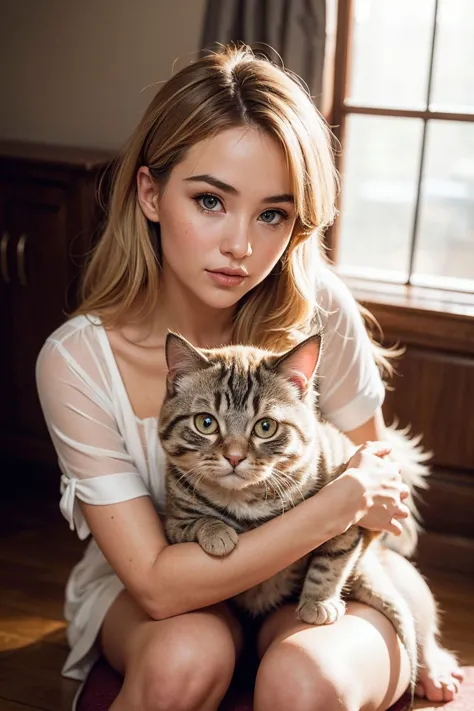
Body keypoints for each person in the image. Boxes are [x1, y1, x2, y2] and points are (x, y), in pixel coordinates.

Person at [36, 44, 462, 711]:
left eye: (273, 214)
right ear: (149, 192)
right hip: (156, 584)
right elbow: (156, 583)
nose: (242, 245)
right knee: (183, 657)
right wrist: (332, 504)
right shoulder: (77, 361)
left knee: (305, 679)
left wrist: (347, 512)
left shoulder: (317, 303)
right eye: (211, 200)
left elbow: (380, 492)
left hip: (312, 576)